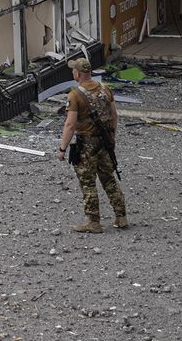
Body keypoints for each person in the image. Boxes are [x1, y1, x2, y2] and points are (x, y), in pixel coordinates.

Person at [57, 58, 128, 233]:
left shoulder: (75, 95)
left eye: (73, 70)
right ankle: (121, 216)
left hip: (87, 143)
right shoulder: (105, 89)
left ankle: (93, 221)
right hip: (104, 142)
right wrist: (112, 138)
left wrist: (62, 149)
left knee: (88, 182)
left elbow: (70, 125)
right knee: (109, 178)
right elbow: (114, 115)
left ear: (77, 74)